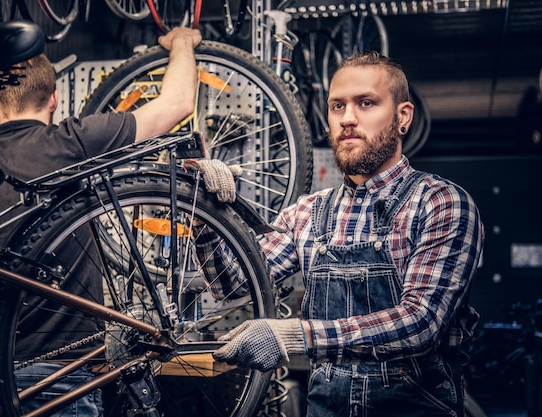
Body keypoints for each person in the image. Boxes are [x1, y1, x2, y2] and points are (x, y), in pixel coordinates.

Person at [206, 51, 485, 417]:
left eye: (366, 103)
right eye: (337, 106)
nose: (348, 119)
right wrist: (206, 214)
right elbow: (235, 286)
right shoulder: (308, 213)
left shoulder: (441, 203)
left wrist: (296, 336)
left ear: (403, 116)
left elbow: (420, 321)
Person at [0, 27, 202, 416]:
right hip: (61, 379)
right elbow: (179, 102)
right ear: (54, 99)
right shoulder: (72, 144)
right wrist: (182, 41)